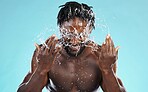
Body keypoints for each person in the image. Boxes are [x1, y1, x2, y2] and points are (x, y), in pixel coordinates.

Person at [17, 1, 126, 92]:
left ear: (90, 30)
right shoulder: (45, 54)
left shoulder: (102, 56)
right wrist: (41, 69)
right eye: (69, 34)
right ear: (60, 28)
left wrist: (107, 69)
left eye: (81, 35)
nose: (74, 41)